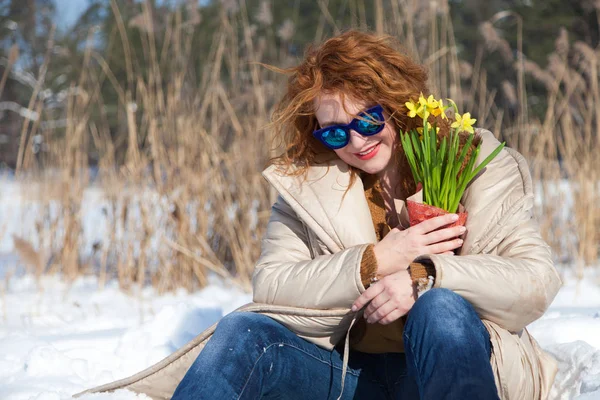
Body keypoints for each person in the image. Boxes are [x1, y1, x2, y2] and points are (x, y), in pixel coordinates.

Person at [171, 29, 562, 400]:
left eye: (368, 119)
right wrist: (374, 261)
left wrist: (426, 276)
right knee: (244, 331)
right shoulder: (307, 188)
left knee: (439, 307)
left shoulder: (473, 164)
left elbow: (536, 280)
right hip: (349, 375)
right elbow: (272, 285)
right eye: (335, 133)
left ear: (395, 103)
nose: (357, 141)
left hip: (451, 371)